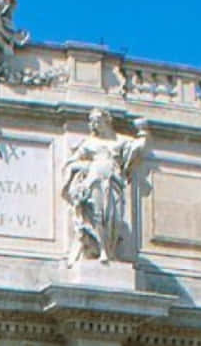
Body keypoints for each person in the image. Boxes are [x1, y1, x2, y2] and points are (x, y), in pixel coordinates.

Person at [63, 110, 147, 262]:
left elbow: (134, 152)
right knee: (97, 215)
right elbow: (71, 163)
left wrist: (142, 135)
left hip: (113, 179)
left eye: (97, 120)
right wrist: (86, 167)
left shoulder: (121, 141)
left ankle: (110, 248)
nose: (95, 124)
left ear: (107, 121)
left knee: (114, 218)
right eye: (92, 121)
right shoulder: (89, 143)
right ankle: (103, 251)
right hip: (94, 179)